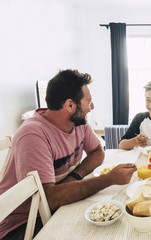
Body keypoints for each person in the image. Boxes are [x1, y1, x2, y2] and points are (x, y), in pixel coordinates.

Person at [0, 69, 137, 239]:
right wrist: (109, 179)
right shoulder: (33, 134)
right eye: (89, 102)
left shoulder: (78, 122)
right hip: (24, 223)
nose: (92, 107)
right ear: (70, 105)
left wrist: (73, 178)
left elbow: (97, 152)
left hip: (54, 207)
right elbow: (49, 199)